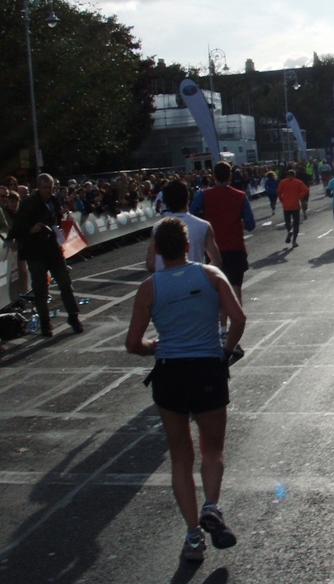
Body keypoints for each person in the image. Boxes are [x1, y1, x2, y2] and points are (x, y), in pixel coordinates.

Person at [125, 217, 245, 561]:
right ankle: (211, 505)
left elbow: (132, 343)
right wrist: (223, 352)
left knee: (180, 457)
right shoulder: (210, 275)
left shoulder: (150, 286)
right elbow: (238, 318)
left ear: (158, 250)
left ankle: (193, 536)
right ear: (189, 246)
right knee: (212, 449)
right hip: (207, 366)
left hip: (170, 372)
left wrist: (154, 346)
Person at [8, 174, 83, 337]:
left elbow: (57, 220)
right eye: (45, 188)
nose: (48, 191)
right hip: (36, 252)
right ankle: (45, 323)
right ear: (38, 188)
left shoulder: (54, 201)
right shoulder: (28, 204)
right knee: (40, 289)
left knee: (65, 284)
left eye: (50, 188)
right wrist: (30, 229)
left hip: (53, 249)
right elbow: (15, 229)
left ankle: (73, 316)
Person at [189, 162, 255, 338]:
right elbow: (251, 224)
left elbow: (192, 212)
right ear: (230, 176)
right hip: (235, 247)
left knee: (216, 289)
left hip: (213, 249)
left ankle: (222, 329)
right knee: (235, 289)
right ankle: (235, 330)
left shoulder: (204, 195)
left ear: (213, 176)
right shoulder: (240, 196)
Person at [146, 180, 221, 273]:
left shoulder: (157, 227)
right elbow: (217, 262)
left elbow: (150, 263)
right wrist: (201, 274)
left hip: (165, 283)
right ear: (188, 199)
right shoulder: (203, 225)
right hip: (193, 282)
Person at [277, 169, 310, 248]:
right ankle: (294, 241)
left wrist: (282, 199)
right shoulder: (298, 182)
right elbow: (306, 190)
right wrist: (300, 195)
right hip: (295, 204)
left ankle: (289, 231)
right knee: (296, 224)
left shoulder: (283, 182)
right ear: (294, 175)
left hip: (286, 205)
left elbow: (278, 191)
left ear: (287, 175)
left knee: (287, 221)